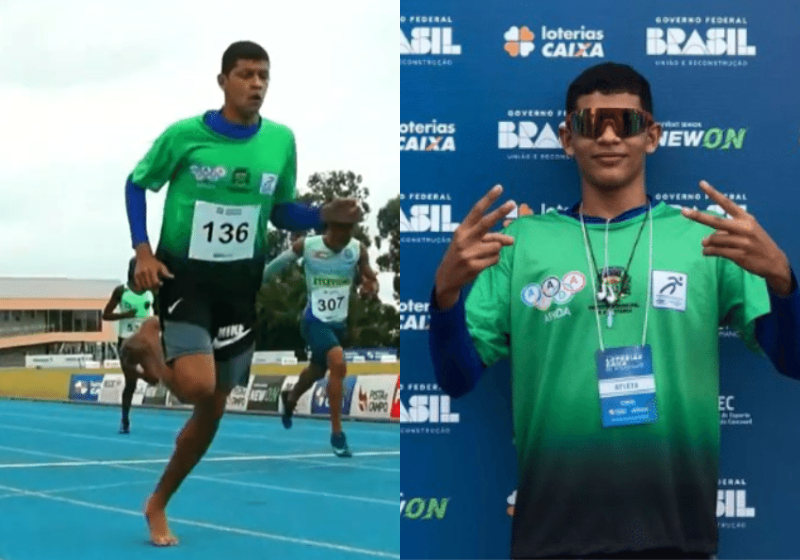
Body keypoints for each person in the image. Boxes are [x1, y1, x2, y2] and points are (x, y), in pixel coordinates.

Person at [429, 62, 800, 559]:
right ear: (567, 138)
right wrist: (445, 297)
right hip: (553, 535)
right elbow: (456, 378)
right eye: (589, 123)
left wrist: (783, 282)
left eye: (624, 122)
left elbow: (793, 360)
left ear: (651, 136)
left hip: (675, 533)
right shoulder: (520, 243)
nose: (607, 137)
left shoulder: (704, 238)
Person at [120, 40, 361, 546]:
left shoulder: (280, 141)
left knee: (213, 407)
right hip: (185, 277)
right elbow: (136, 183)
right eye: (246, 74)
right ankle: (148, 341)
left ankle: (157, 502)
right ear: (223, 81)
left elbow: (281, 211)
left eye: (264, 76)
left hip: (239, 285)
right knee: (195, 387)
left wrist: (322, 215)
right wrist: (143, 251)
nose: (256, 84)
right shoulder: (186, 136)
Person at [261, 218, 379, 457]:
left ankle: (291, 398)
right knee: (337, 361)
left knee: (317, 370)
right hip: (313, 320)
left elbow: (370, 277)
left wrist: (371, 287)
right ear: (329, 228)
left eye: (349, 232)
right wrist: (257, 280)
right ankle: (337, 434)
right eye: (341, 232)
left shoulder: (356, 249)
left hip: (338, 323)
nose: (345, 238)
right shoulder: (308, 246)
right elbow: (275, 266)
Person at [102, 257, 155, 434]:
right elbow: (106, 315)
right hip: (126, 342)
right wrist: (124, 315)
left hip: (145, 341)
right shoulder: (121, 291)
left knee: (154, 379)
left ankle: (138, 373)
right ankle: (125, 419)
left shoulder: (151, 291)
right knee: (130, 384)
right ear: (133, 270)